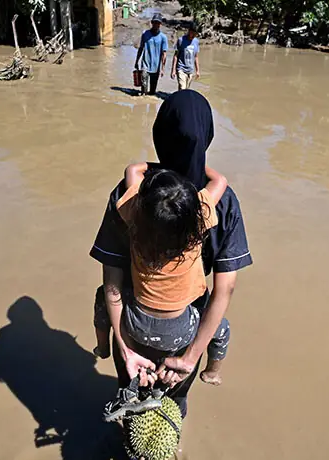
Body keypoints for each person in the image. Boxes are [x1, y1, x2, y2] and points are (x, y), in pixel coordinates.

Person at [90, 90, 252, 417]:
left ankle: (132, 455)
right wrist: (193, 356)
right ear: (207, 136)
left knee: (130, 397)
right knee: (174, 403)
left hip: (130, 324)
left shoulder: (133, 198)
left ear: (158, 133)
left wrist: (121, 344)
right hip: (188, 330)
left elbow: (111, 277)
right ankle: (207, 378)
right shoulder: (216, 204)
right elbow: (226, 288)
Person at [94, 162, 228, 417]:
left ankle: (102, 346)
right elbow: (220, 181)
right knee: (221, 329)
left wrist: (159, 164)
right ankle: (212, 372)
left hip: (135, 324)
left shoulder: (134, 218)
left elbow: (132, 170)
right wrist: (193, 162)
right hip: (181, 330)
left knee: (104, 295)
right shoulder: (196, 227)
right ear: (195, 215)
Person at [134, 14, 168, 96]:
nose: (156, 24)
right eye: (155, 22)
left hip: (156, 67)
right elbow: (141, 48)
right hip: (145, 65)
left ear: (160, 24)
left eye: (158, 23)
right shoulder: (145, 34)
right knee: (144, 89)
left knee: (152, 92)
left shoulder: (163, 37)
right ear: (152, 23)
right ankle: (143, 103)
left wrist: (163, 68)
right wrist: (136, 61)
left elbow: (164, 54)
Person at [171, 23, 200, 91]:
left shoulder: (196, 42)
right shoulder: (181, 40)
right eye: (193, 33)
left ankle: (179, 99)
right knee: (182, 87)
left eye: (195, 34)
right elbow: (176, 56)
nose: (193, 35)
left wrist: (198, 70)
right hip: (181, 68)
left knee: (186, 90)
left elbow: (196, 57)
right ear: (189, 31)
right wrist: (173, 70)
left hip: (190, 70)